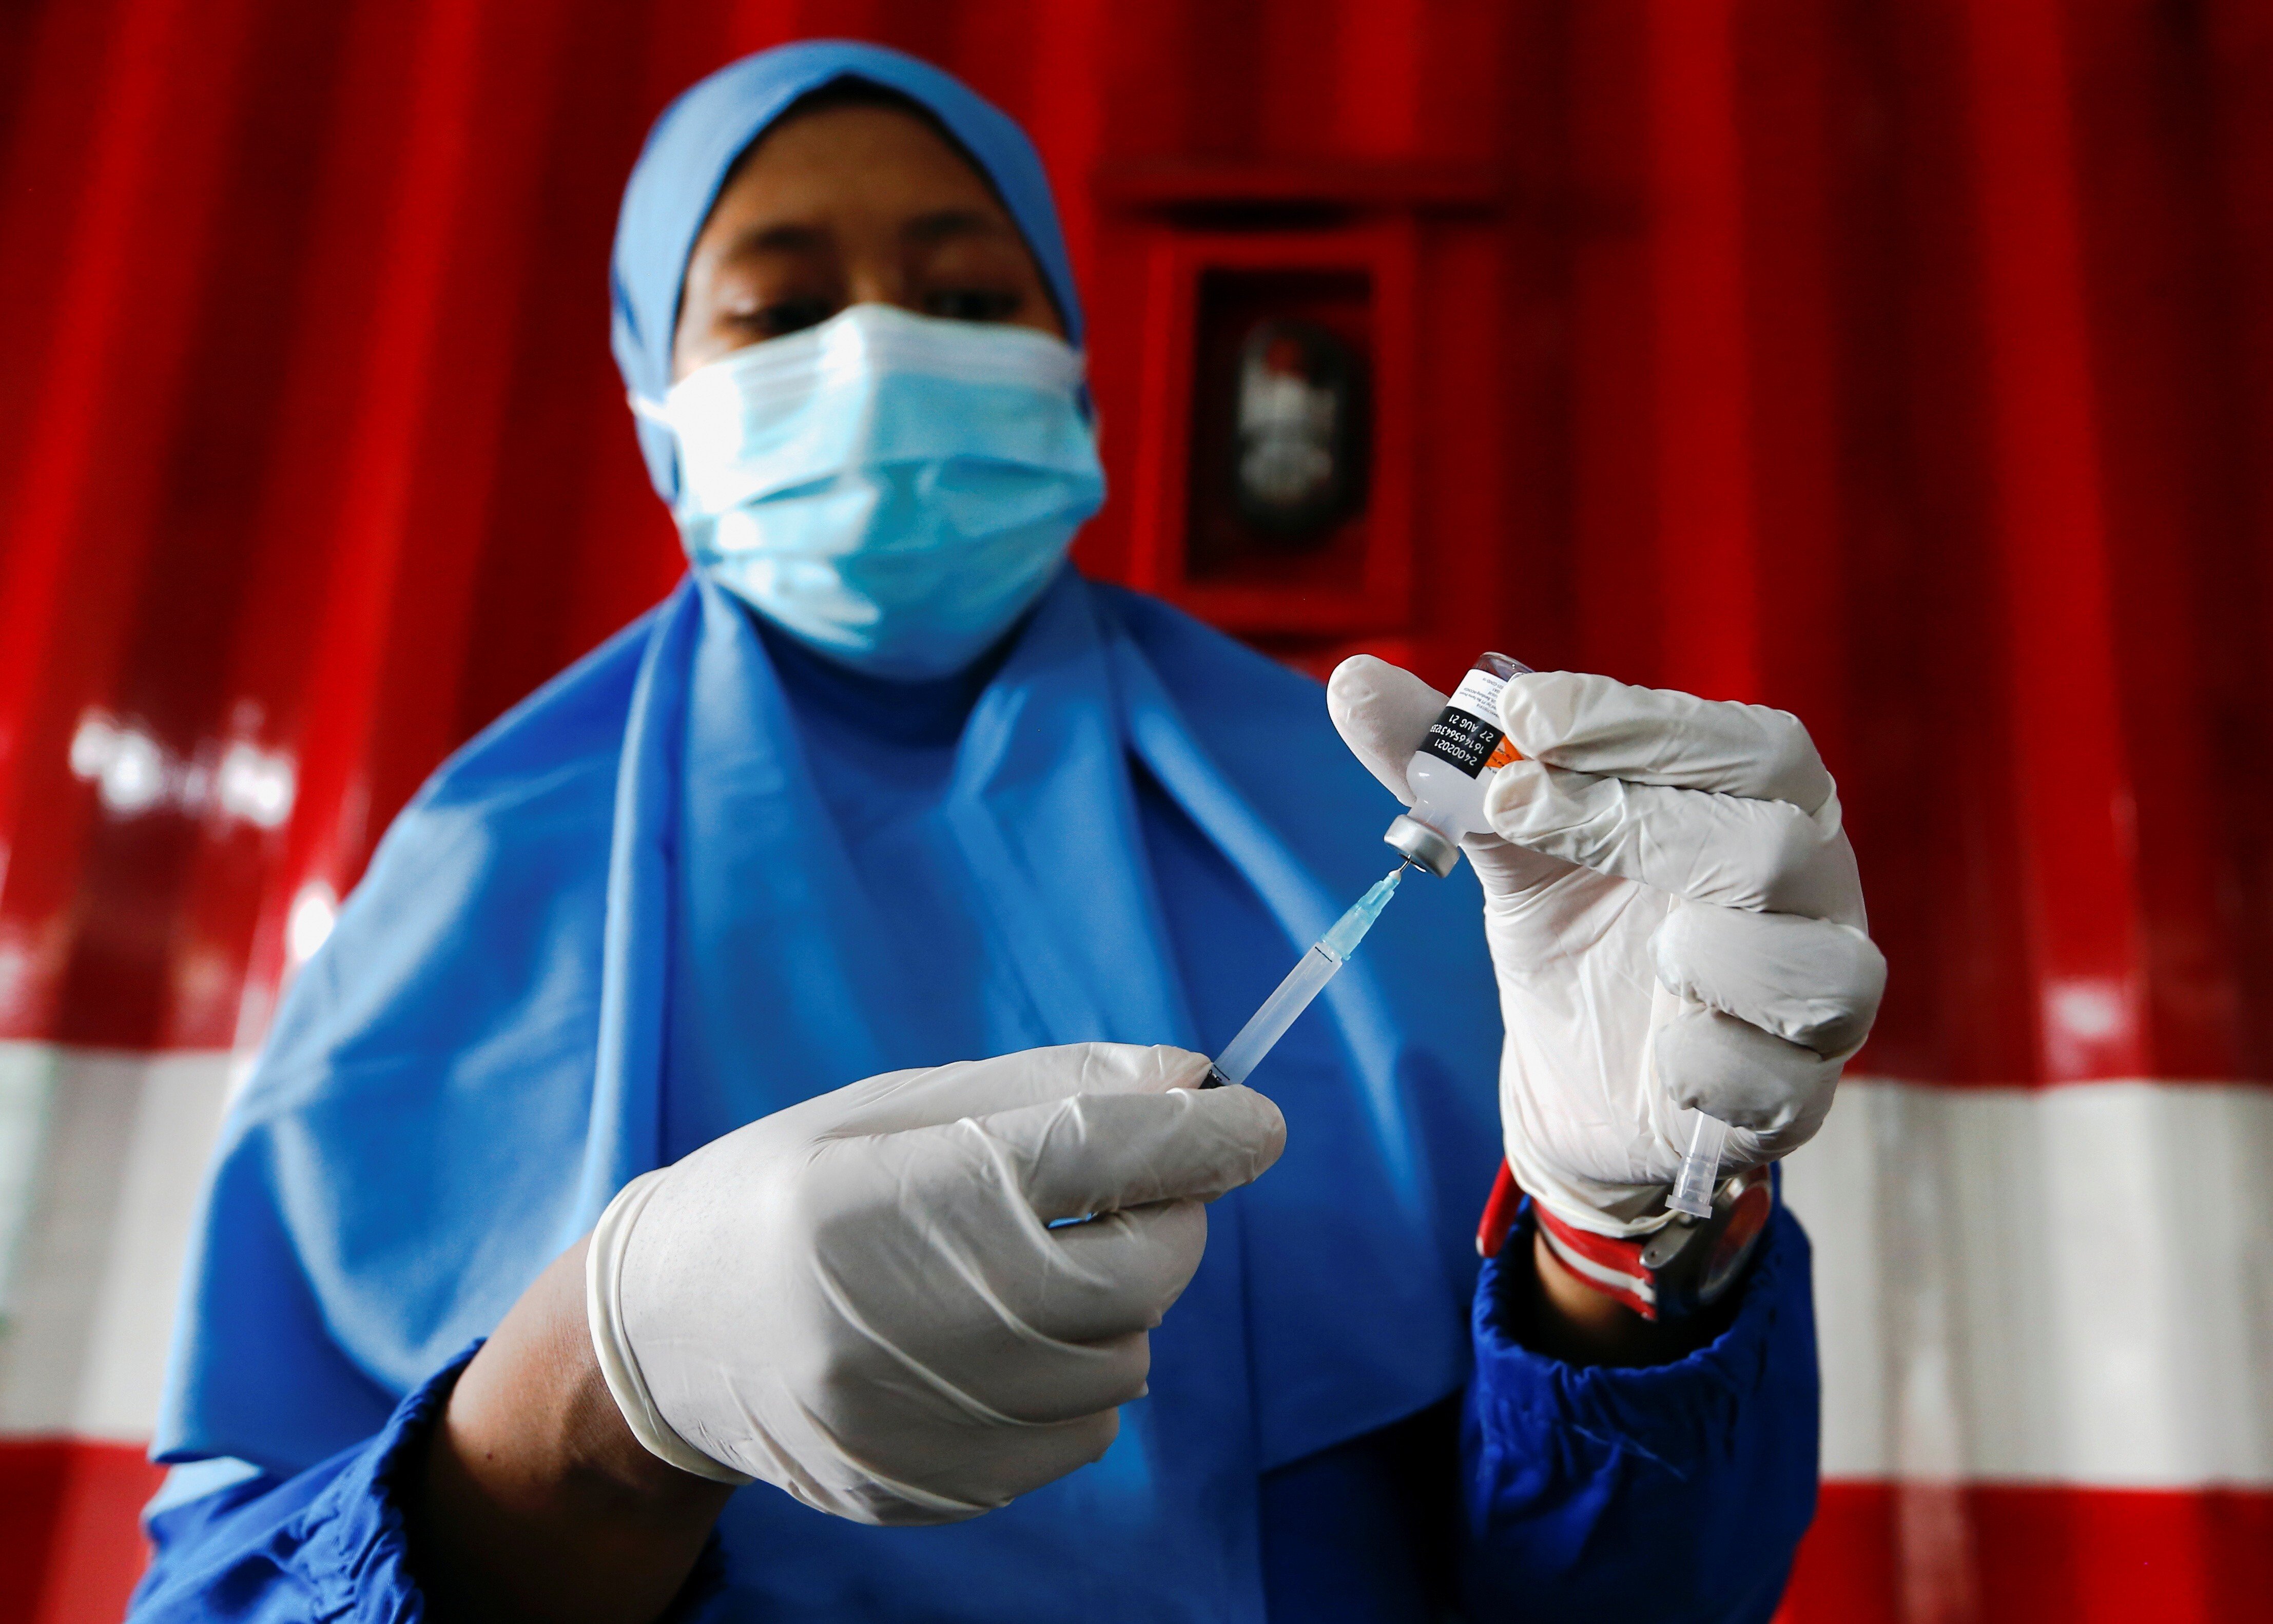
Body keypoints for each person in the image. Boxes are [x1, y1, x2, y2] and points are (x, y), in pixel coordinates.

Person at [128, 41, 1883, 1624]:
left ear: (1073, 372)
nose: (884, 348)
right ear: (658, 404)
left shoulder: (1360, 798)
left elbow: (1638, 1600)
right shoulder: (488, 869)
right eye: (776, 309)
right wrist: (601, 1399)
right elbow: (232, 1592)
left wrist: (1623, 1245)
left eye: (968, 294)